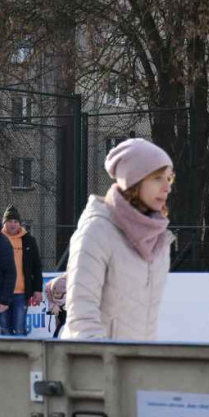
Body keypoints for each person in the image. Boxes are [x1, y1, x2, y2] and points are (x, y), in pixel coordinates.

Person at [61, 138, 174, 341]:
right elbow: (82, 319)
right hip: (94, 365)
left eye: (169, 178)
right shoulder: (97, 231)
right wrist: (110, 367)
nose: (167, 187)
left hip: (136, 365)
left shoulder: (158, 240)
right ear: (134, 181)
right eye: (158, 178)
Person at [0, 205, 44, 336]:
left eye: (16, 221)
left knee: (20, 329)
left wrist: (37, 289)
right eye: (10, 221)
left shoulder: (29, 240)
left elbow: (36, 266)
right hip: (2, 294)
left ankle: (21, 356)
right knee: (5, 330)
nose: (13, 224)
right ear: (4, 223)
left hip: (21, 293)